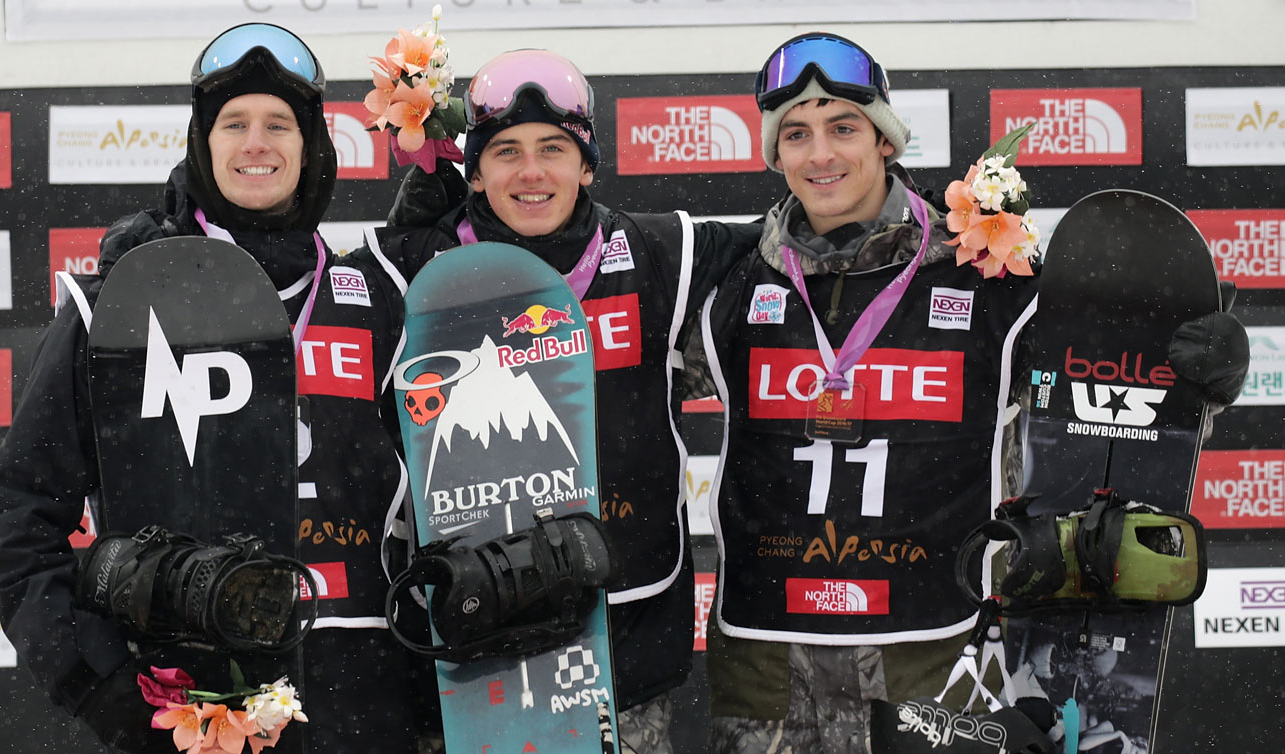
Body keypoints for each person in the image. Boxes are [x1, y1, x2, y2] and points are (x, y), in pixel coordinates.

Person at [693, 32, 1248, 754]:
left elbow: (1107, 388)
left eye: (843, 128)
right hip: (767, 674)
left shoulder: (984, 274)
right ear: (775, 154)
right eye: (795, 135)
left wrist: (1202, 375)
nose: (820, 154)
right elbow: (617, 385)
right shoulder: (732, 282)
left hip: (938, 665)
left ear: (885, 140)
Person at [0, 23, 420, 753]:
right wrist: (99, 682)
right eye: (234, 124)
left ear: (312, 147)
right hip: (194, 708)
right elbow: (21, 518)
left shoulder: (380, 301)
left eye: (280, 124)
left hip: (362, 705)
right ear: (201, 145)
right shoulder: (118, 306)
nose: (257, 143)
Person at [366, 48, 761, 754]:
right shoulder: (409, 271)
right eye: (506, 152)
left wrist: (951, 231)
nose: (531, 172)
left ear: (587, 164)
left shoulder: (657, 252)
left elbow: (805, 243)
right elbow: (277, 299)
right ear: (475, 172)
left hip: (626, 637)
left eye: (554, 149)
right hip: (469, 643)